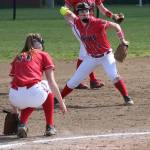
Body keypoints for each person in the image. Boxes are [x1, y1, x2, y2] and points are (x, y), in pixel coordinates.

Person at [59, 3, 134, 106]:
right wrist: (63, 9)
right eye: (81, 12)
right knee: (73, 81)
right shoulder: (77, 22)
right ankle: (59, 98)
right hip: (91, 58)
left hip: (106, 56)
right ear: (78, 14)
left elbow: (116, 25)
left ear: (89, 12)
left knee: (114, 76)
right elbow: (70, 14)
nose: (84, 13)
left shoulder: (98, 23)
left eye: (86, 11)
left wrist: (122, 40)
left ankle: (127, 97)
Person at [9, 33, 67, 138]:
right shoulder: (43, 54)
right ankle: (50, 126)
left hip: (14, 97)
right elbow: (52, 82)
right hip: (33, 94)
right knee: (45, 85)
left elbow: (12, 83)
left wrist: (15, 110)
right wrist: (61, 102)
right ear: (37, 44)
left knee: (34, 93)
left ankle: (21, 124)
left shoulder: (18, 56)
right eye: (41, 42)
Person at [64, 0, 124, 89]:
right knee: (86, 51)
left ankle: (84, 81)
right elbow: (65, 9)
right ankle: (90, 81)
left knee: (84, 53)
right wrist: (69, 20)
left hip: (92, 25)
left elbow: (101, 8)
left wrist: (112, 15)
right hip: (79, 26)